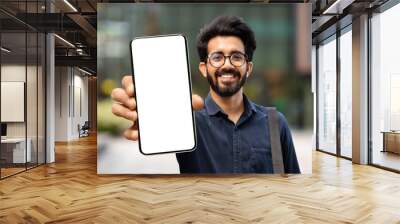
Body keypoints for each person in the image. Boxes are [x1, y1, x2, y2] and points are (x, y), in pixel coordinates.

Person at [111, 15, 300, 174]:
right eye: (217, 57)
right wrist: (148, 113)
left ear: (248, 67)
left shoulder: (275, 122)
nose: (227, 64)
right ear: (203, 68)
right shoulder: (186, 122)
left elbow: (292, 187)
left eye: (236, 57)